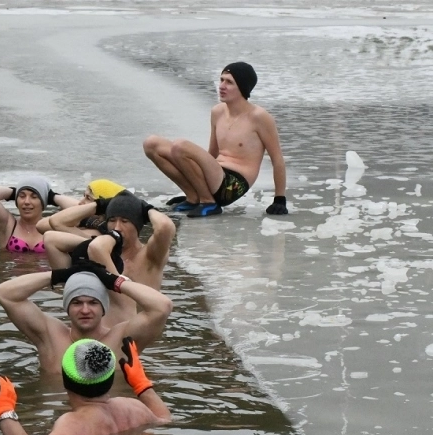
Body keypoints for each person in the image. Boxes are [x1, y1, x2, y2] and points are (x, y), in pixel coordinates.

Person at [142, 61, 288, 218]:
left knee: (180, 146)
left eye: (229, 82)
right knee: (152, 143)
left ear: (242, 87)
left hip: (233, 184)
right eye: (221, 80)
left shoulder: (259, 117)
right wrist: (195, 181)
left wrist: (279, 199)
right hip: (215, 173)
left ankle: (208, 202)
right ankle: (194, 197)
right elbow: (212, 153)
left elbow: (277, 159)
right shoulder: (217, 111)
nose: (222, 86)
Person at [0, 338, 171, 435]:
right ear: (109, 377)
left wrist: (5, 411)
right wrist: (143, 386)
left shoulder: (72, 424)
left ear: (66, 379)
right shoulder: (134, 407)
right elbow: (165, 420)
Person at [0, 263, 172, 373]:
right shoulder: (50, 337)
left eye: (93, 302)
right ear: (67, 308)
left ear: (104, 307)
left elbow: (162, 306)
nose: (85, 310)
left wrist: (114, 281)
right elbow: (6, 293)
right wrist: (59, 275)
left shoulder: (120, 340)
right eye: (77, 303)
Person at [44, 190, 176, 321]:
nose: (117, 227)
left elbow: (165, 227)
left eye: (125, 221)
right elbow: (55, 226)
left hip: (136, 332)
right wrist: (100, 205)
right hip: (97, 333)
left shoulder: (150, 255)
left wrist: (147, 210)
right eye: (112, 220)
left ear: (137, 225)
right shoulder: (97, 248)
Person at [0, 177, 76, 253]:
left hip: (46, 277)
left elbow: (80, 209)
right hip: (12, 277)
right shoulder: (7, 225)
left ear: (43, 202)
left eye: (34, 197)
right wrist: (15, 192)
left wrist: (51, 197)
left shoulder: (55, 225)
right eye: (22, 196)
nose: (26, 202)